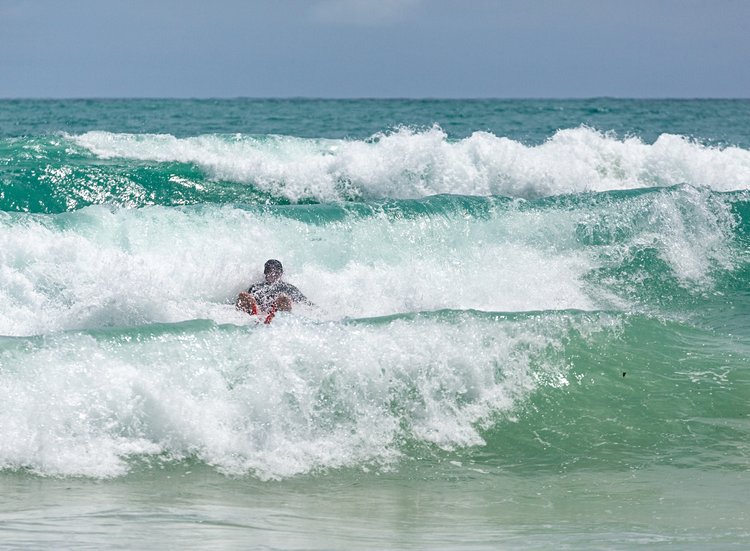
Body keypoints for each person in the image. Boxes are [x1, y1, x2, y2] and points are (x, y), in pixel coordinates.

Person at [236, 259, 311, 315]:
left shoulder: (288, 288)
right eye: (270, 272)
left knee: (283, 298)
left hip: (278, 314)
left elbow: (305, 303)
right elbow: (243, 302)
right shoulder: (256, 287)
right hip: (258, 313)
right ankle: (256, 314)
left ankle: (273, 314)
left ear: (281, 273)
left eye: (276, 272)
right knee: (243, 296)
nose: (273, 275)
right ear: (265, 274)